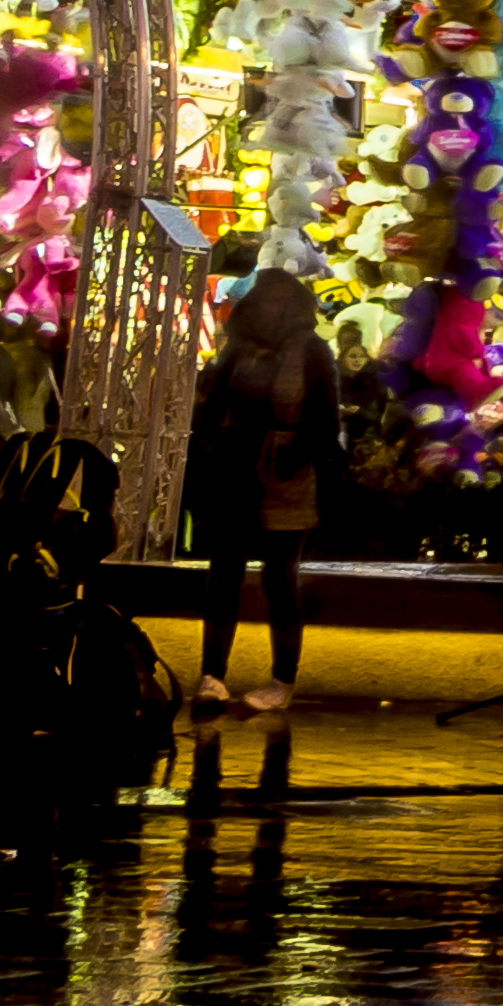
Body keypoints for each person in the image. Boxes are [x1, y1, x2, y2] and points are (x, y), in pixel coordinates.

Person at [185, 269, 338, 715]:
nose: (271, 310)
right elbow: (212, 407)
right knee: (224, 572)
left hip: (285, 472)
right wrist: (211, 438)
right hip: (235, 469)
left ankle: (282, 679)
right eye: (264, 301)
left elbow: (326, 422)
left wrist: (296, 455)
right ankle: (212, 674)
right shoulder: (238, 350)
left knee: (279, 576)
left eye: (279, 302)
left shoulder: (312, 352)